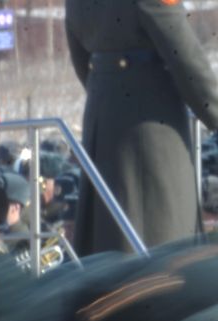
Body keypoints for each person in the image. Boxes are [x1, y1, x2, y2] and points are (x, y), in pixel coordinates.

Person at [68, 0, 218, 252]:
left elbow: (80, 57)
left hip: (102, 118)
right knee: (164, 241)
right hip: (152, 131)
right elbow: (186, 57)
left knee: (109, 242)